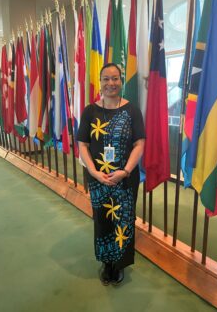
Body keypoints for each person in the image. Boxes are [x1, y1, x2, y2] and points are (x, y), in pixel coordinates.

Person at [77, 63, 145, 286]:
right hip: (99, 179)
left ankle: (120, 264)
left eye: (115, 79)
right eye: (106, 79)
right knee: (103, 220)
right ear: (100, 81)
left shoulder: (132, 110)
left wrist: (125, 171)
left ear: (121, 80)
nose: (111, 83)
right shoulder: (90, 111)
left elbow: (139, 144)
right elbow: (83, 145)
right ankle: (107, 262)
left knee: (124, 220)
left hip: (125, 179)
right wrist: (94, 172)